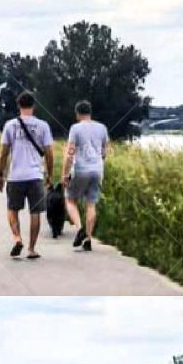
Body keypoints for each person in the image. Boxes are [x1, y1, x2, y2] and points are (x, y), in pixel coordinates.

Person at [0, 91, 54, 259]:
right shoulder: (43, 126)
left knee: (12, 209)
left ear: (19, 105)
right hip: (35, 175)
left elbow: (3, 153)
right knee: (35, 212)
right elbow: (49, 153)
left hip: (16, 176)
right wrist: (50, 175)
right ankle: (31, 249)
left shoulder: (10, 125)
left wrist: (1, 174)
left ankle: (17, 238)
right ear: (34, 105)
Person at [62, 100, 110, 252]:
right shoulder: (102, 128)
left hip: (80, 169)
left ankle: (79, 228)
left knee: (70, 199)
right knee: (91, 204)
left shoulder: (75, 128)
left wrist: (65, 174)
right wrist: (98, 162)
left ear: (77, 114)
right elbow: (104, 152)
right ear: (90, 112)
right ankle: (88, 239)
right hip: (97, 170)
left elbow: (70, 154)